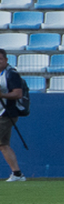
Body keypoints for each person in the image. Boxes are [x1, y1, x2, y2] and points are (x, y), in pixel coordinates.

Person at [0, 49, 26, 182]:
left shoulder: (11, 74)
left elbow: (18, 93)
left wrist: (2, 94)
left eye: (0, 59)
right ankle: (17, 174)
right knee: (3, 144)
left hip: (7, 113)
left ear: (6, 60)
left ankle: (17, 174)